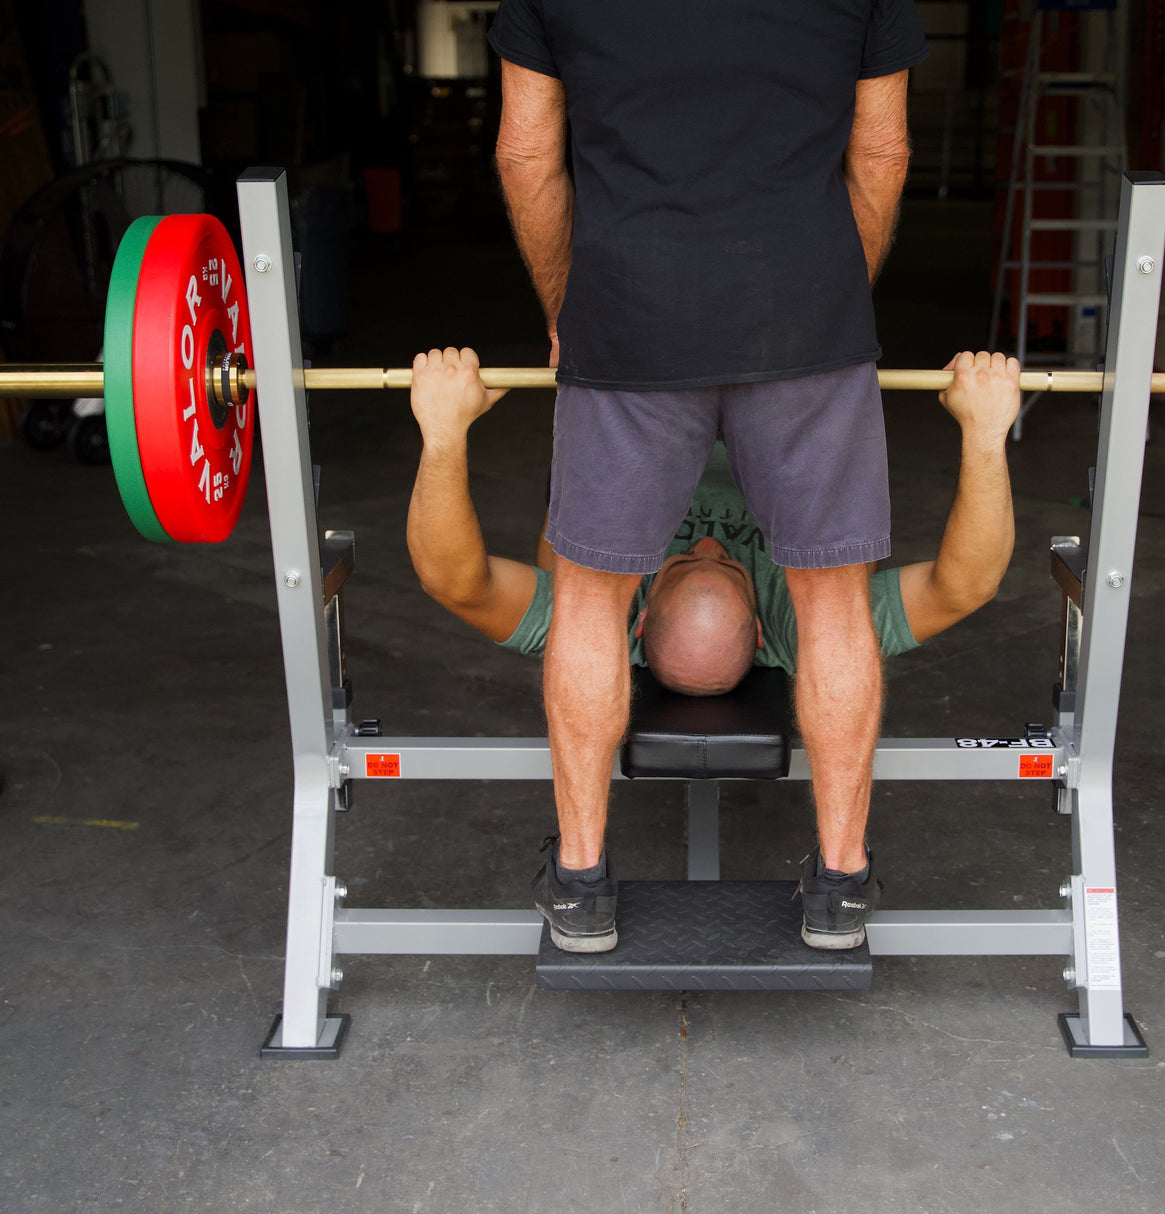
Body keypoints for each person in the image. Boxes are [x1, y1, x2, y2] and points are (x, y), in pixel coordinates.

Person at [487, 1, 930, 955]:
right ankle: (842, 886)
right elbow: (883, 154)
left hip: (629, 316)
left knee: (593, 601)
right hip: (807, 318)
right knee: (833, 603)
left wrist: (574, 301)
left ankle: (580, 882)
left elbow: (526, 155)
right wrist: (822, 294)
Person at [407, 347, 1023, 951]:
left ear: (641, 620)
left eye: (689, 563)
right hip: (780, 381)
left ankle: (579, 879)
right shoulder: (799, 626)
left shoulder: (604, 621)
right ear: (760, 632)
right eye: (729, 565)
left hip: (646, 383)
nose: (705, 543)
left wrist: (442, 435)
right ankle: (841, 883)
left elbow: (457, 581)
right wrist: (986, 433)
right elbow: (963, 584)